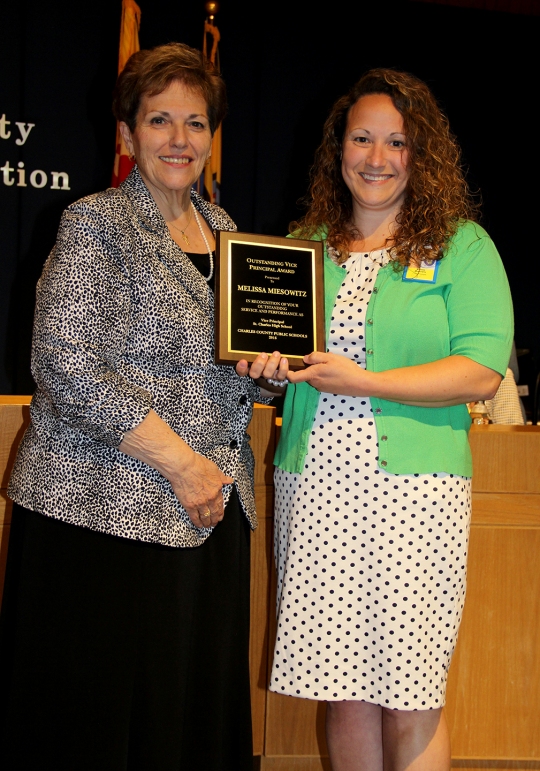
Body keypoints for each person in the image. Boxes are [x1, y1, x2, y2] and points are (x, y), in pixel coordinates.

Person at [0, 42, 285, 771]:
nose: (179, 139)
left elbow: (234, 376)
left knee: (183, 718)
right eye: (160, 120)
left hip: (210, 512)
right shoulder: (96, 223)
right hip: (100, 513)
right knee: (100, 725)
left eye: (196, 122)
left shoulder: (228, 234)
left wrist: (271, 370)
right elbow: (63, 361)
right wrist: (181, 462)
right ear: (127, 134)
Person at [264, 69, 513, 771]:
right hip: (317, 489)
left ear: (420, 153)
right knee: (342, 690)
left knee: (410, 691)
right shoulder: (304, 244)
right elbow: (273, 343)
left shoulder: (465, 246)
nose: (376, 157)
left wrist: (366, 381)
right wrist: (262, 364)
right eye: (362, 138)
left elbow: (481, 369)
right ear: (337, 149)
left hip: (415, 496)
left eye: (396, 142)